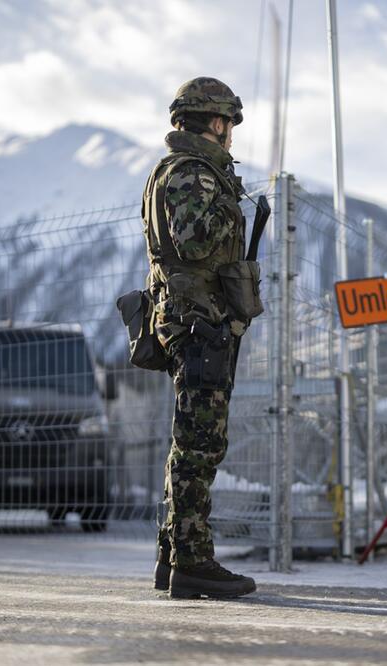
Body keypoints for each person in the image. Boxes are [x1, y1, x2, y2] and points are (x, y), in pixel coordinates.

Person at [142, 77, 257, 599]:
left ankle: (174, 557)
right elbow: (194, 242)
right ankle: (193, 559)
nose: (231, 133)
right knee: (200, 442)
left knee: (191, 437)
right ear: (216, 122)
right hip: (199, 321)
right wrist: (230, 202)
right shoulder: (192, 173)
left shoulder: (182, 171)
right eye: (228, 122)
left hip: (194, 319)